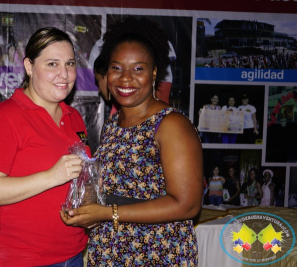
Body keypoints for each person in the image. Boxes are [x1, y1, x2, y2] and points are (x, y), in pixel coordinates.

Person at [61, 17, 203, 266]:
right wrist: (87, 209)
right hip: (110, 251)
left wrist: (107, 214)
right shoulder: (113, 125)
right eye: (116, 68)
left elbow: (187, 205)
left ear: (154, 72)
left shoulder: (172, 125)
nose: (125, 78)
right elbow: (118, 188)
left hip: (156, 253)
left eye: (138, 68)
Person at [0, 27, 89, 267]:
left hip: (72, 254)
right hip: (20, 259)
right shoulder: (5, 117)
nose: (64, 74)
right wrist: (51, 176)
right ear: (29, 67)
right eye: (52, 64)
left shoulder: (74, 116)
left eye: (69, 64)